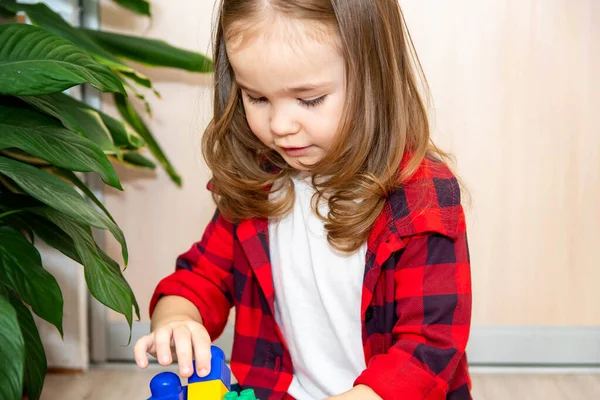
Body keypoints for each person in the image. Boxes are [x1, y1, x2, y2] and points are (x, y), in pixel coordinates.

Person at [134, 1, 472, 399]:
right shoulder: (260, 182)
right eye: (256, 98)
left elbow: (430, 347)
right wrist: (178, 318)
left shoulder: (422, 198)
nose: (279, 126)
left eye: (309, 100)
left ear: (374, 80)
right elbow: (201, 276)